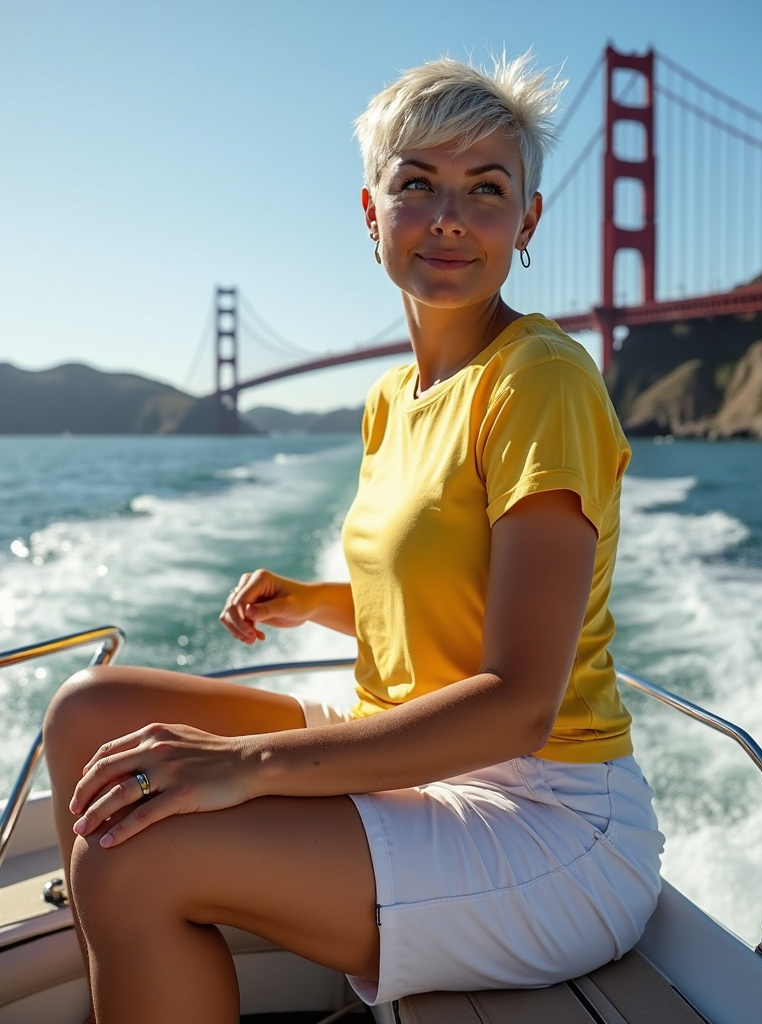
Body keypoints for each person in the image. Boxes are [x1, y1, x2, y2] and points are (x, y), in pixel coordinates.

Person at [43, 53, 664, 1024]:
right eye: (417, 184)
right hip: (414, 751)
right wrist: (313, 600)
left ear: (528, 224)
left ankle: (141, 921)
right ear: (371, 213)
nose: (450, 215)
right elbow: (440, 594)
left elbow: (517, 706)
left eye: (486, 191)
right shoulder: (390, 398)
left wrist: (240, 767)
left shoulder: (541, 381)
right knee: (92, 711)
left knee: (136, 857)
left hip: (544, 818)